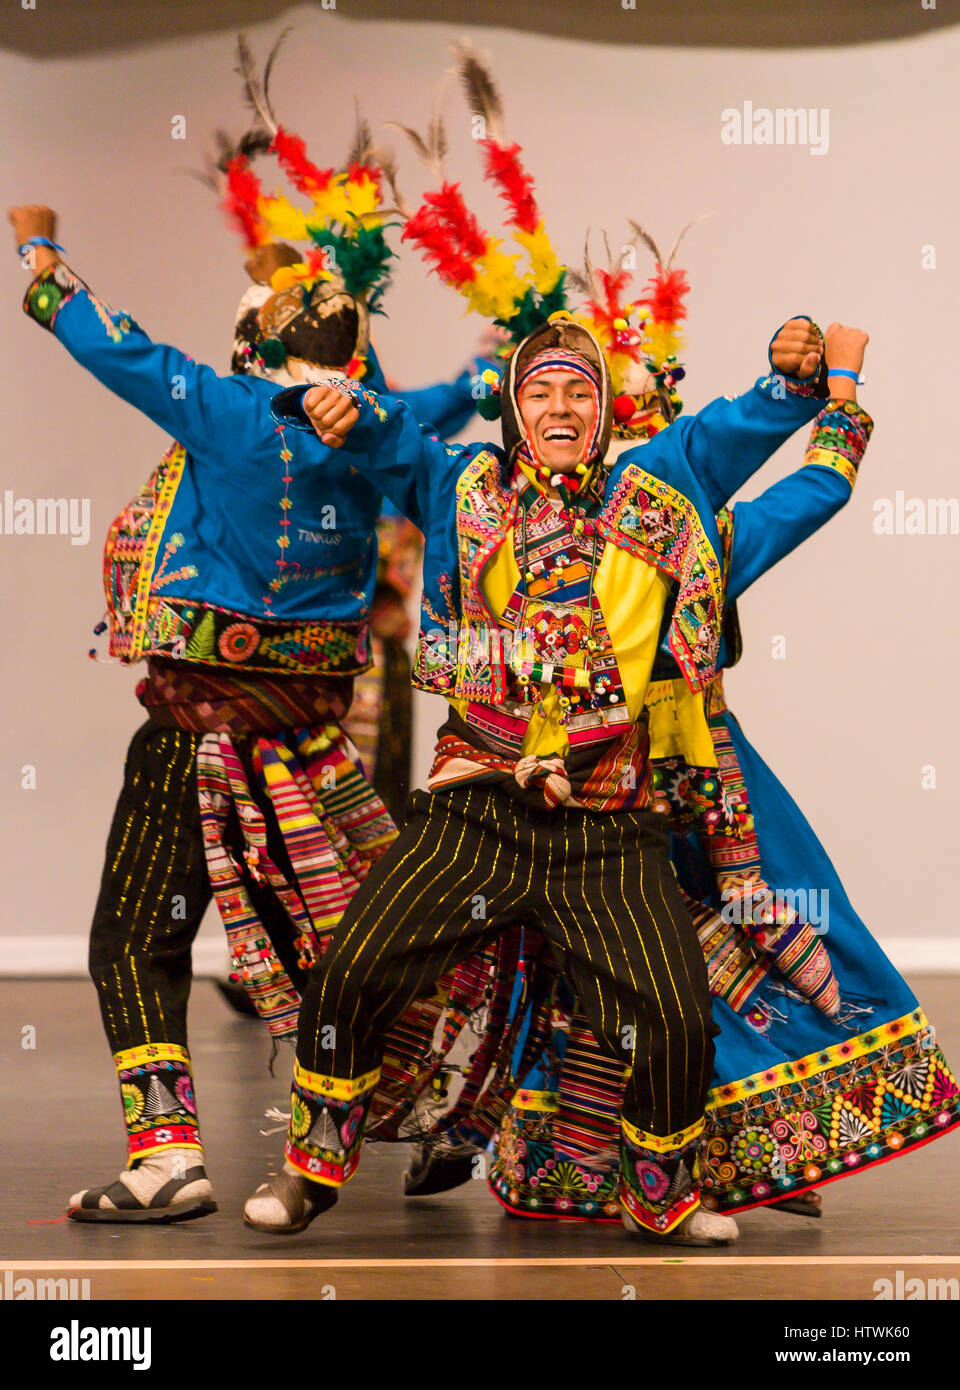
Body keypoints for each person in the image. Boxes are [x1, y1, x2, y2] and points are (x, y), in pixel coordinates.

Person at [7, 85, 494, 1224]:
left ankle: (168, 1151)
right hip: (310, 744)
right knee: (346, 936)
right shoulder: (381, 427)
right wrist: (496, 359)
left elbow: (96, 334)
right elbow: (451, 402)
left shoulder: (220, 411)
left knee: (136, 934)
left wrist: (38, 249)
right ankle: (454, 1110)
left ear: (247, 344)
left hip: (192, 740)